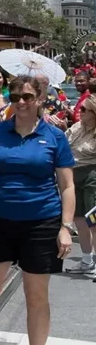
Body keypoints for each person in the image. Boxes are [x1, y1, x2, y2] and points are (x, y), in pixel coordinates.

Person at [0, 75, 75, 345]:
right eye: (15, 97)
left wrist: (66, 227)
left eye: (28, 97)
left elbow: (67, 186)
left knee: (37, 297)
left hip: (41, 223)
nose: (21, 102)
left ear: (39, 99)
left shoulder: (55, 136)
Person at [65, 95, 96, 275]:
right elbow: (62, 142)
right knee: (78, 219)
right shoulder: (76, 127)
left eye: (84, 109)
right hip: (73, 175)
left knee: (93, 220)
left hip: (92, 175)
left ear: (94, 113)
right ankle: (86, 261)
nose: (79, 111)